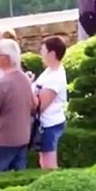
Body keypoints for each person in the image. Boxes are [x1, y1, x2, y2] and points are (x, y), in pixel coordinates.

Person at [0, 39, 33, 173]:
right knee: (18, 177)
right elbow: (33, 105)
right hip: (22, 138)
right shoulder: (25, 79)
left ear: (6, 58)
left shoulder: (0, 83)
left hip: (3, 140)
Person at [33, 36, 68, 169]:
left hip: (49, 124)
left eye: (43, 51)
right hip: (45, 123)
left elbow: (40, 105)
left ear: (52, 54)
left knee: (49, 163)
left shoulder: (55, 77)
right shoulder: (48, 71)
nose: (41, 55)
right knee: (43, 160)